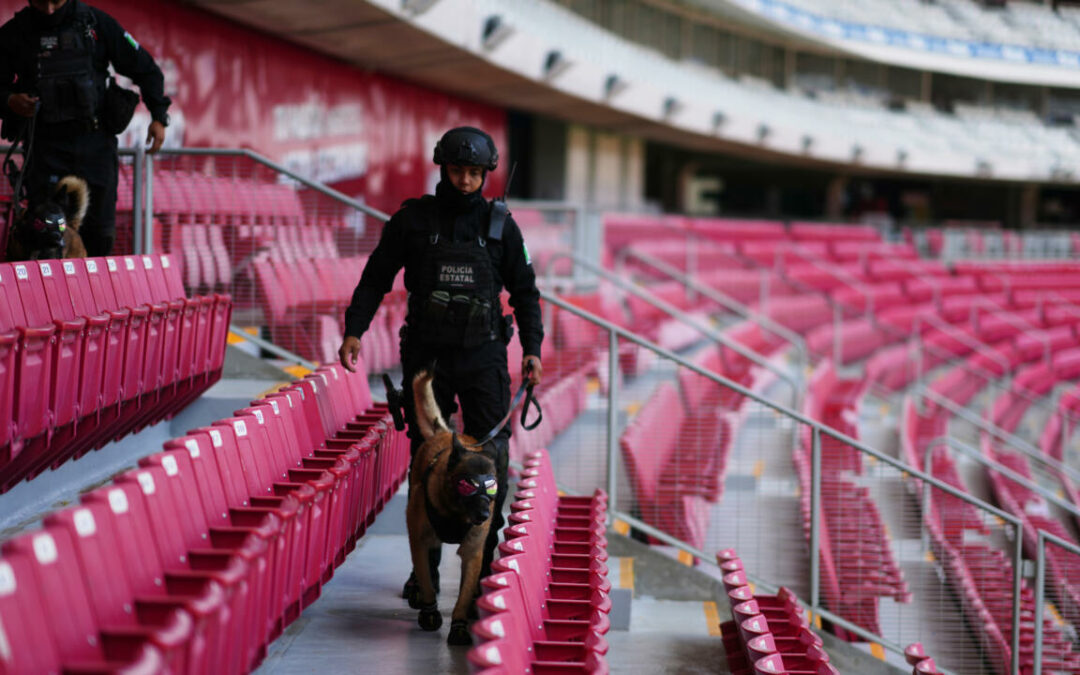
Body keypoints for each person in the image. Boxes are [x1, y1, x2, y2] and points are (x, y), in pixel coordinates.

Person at [339, 126, 543, 598]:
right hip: (428, 361)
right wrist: (355, 329)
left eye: (475, 173)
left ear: (486, 174)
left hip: (484, 357)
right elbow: (375, 278)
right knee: (427, 460)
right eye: (458, 171)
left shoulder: (501, 227)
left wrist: (532, 347)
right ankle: (424, 570)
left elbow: (526, 292)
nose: (467, 180)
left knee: (491, 461)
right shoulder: (412, 221)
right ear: (443, 168)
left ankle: (483, 570)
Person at [0, 0, 171, 257]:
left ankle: (94, 297)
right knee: (43, 242)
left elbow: (146, 68)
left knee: (100, 237)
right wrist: (9, 100)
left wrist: (159, 116)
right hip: (45, 150)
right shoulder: (16, 32)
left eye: (54, 1)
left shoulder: (94, 24)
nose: (48, 9)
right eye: (40, 1)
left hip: (96, 147)